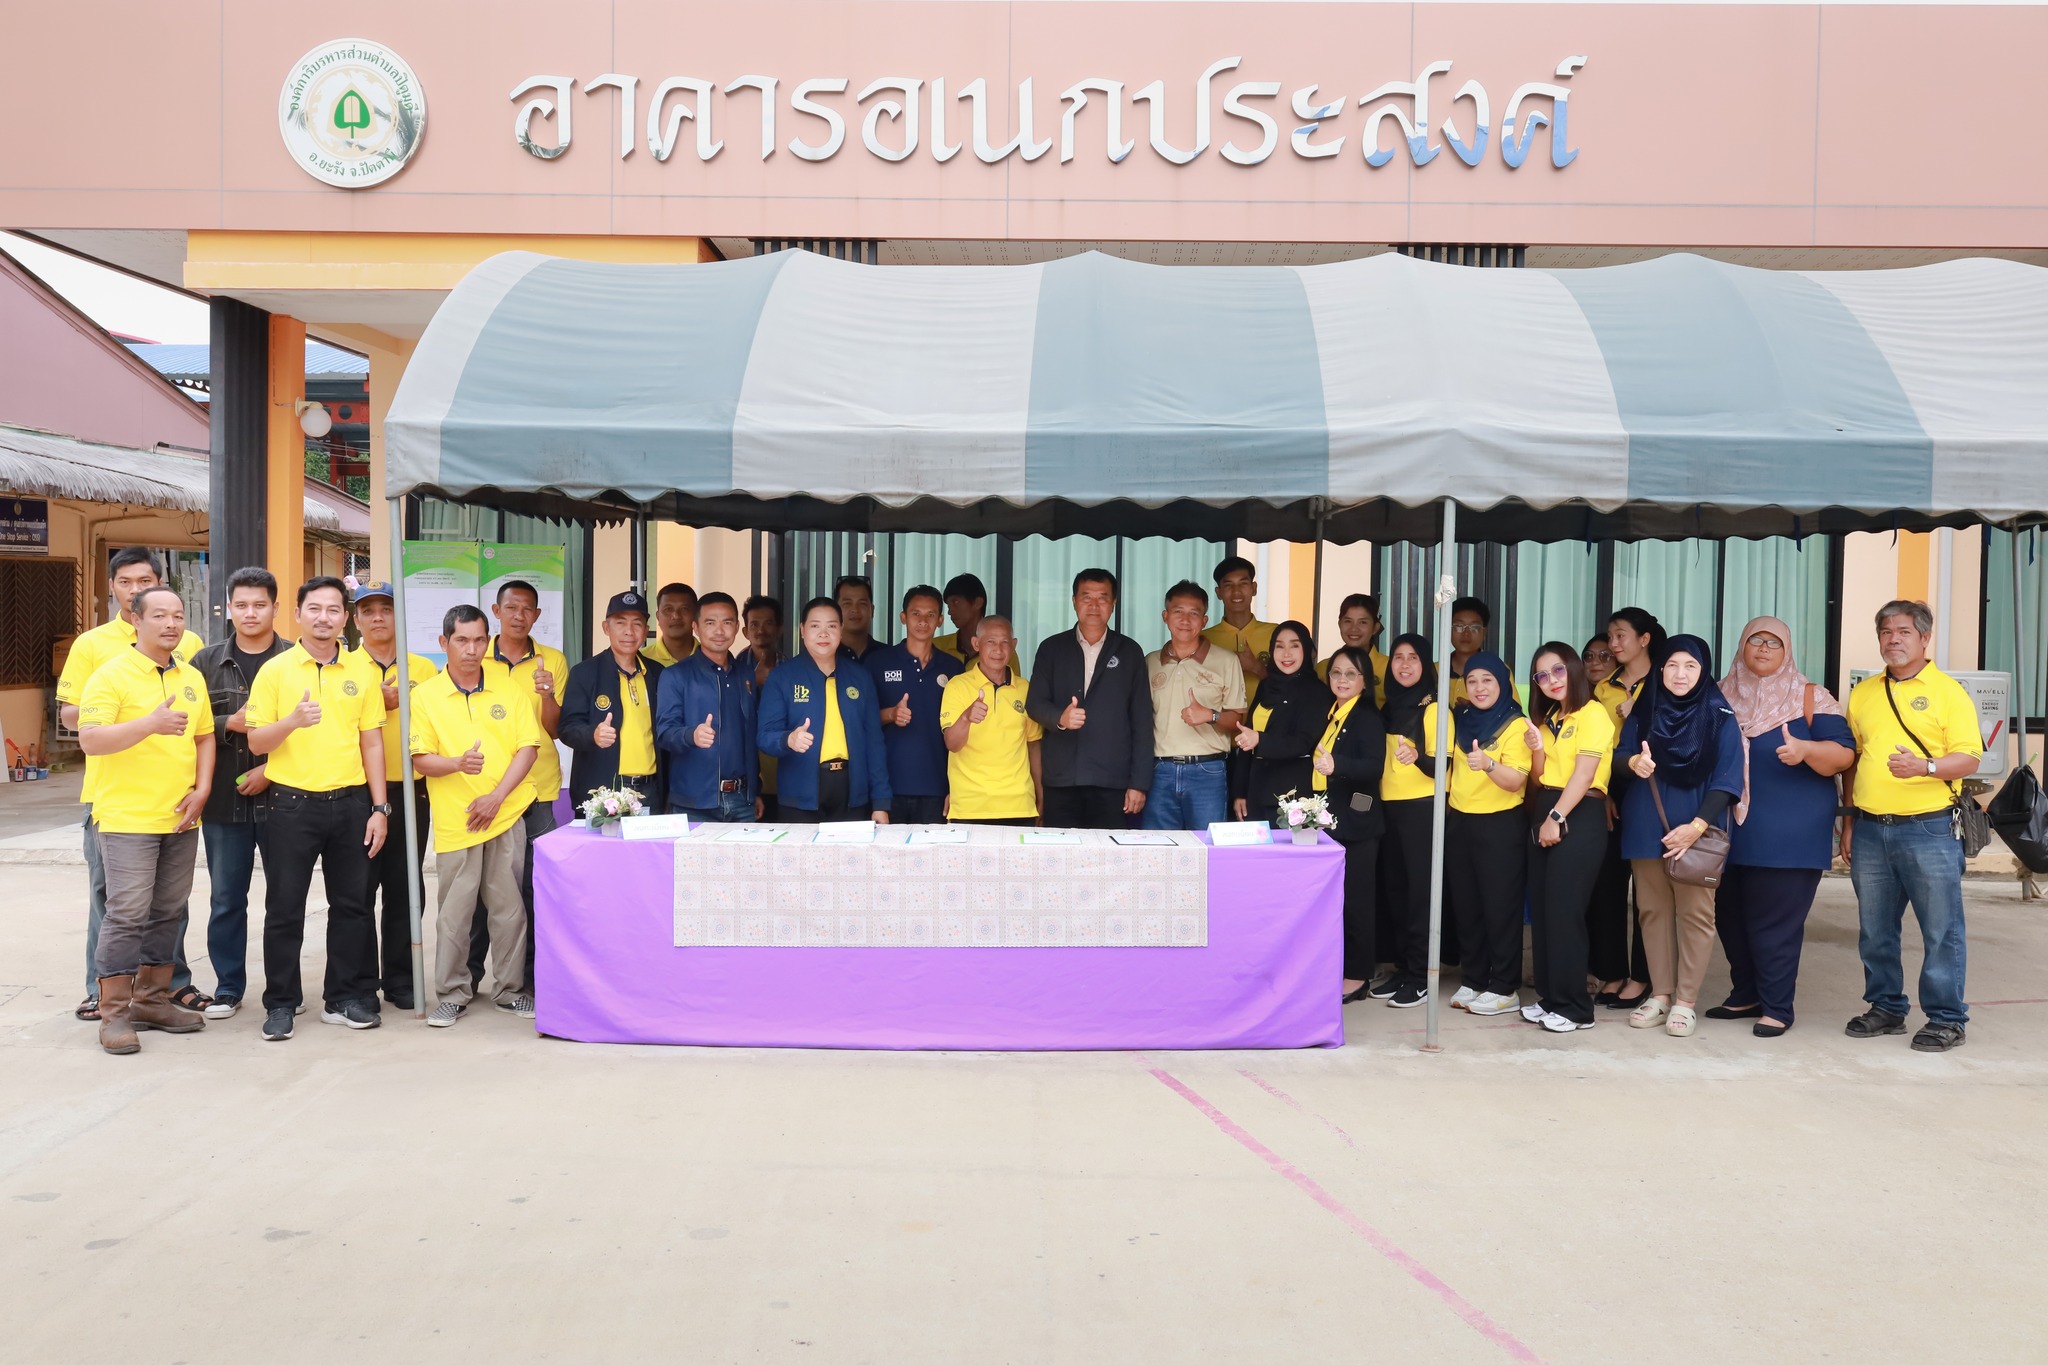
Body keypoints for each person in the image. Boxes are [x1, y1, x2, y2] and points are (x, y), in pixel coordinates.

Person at [56, 546, 207, 1022]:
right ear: (134, 617)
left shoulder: (190, 664)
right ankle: (110, 1007)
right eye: (158, 615)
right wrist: (147, 723)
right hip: (122, 810)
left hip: (179, 812)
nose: (170, 623)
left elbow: (203, 733)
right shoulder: (103, 662)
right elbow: (87, 733)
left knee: (168, 909)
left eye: (176, 615)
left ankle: (155, 999)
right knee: (121, 909)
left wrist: (202, 789)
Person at [245, 576, 390, 1041]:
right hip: (291, 805)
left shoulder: (362, 672)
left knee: (352, 906)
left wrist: (380, 807)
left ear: (345, 618)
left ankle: (343, 997)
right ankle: (281, 1002)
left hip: (351, 804)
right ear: (298, 614)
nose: (323, 617)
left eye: (332, 610)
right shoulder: (276, 671)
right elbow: (256, 741)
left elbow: (372, 743)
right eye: (314, 608)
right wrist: (291, 721)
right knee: (284, 908)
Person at [1841, 600, 1982, 1052]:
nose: (1893, 640)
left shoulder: (1948, 692)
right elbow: (1854, 760)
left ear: (1924, 638)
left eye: (1903, 632)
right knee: (1875, 929)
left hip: (1930, 829)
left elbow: (1970, 757)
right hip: (1870, 829)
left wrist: (1925, 766)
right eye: (1886, 632)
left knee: (1941, 929)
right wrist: (1849, 821)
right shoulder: (1864, 693)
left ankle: (1946, 1018)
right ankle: (1886, 1007)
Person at [1711, 617, 1856, 1038]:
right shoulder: (1718, 695)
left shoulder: (1810, 697)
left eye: (1773, 642)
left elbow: (1845, 755)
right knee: (1730, 917)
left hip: (1789, 834)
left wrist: (1807, 749)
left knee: (1773, 925)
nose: (1763, 648)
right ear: (1741, 646)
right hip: (1728, 830)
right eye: (1755, 640)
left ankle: (1777, 1007)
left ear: (1787, 650)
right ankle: (1746, 994)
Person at [410, 605, 544, 1027]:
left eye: (479, 640)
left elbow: (529, 748)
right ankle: (452, 994)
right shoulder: (425, 695)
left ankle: (510, 990)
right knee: (454, 914)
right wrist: (456, 764)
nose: (471, 649)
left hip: (505, 814)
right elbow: (420, 758)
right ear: (444, 642)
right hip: (458, 821)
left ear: (489, 641)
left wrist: (496, 798)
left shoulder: (508, 688)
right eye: (462, 640)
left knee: (509, 910)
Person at [1615, 636, 1743, 1039]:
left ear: (1703, 671)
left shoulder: (1720, 715)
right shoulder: (1645, 709)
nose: (1680, 674)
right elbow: (1618, 756)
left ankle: (1686, 1001)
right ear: (1660, 669)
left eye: (1690, 666)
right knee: (1651, 912)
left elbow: (1728, 780)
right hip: (1646, 823)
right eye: (1672, 665)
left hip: (1695, 829)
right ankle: (1661, 994)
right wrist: (1633, 762)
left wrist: (1697, 827)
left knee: (1696, 915)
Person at [188, 566, 289, 1018]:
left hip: (286, 800)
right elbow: (187, 728)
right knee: (227, 900)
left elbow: (316, 728)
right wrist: (227, 722)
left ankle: (283, 991)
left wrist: (271, 769)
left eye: (260, 605)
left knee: (284, 901)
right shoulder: (204, 664)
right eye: (242, 605)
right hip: (224, 805)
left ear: (275, 607)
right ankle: (228, 987)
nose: (251, 613)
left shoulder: (296, 660)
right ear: (229, 608)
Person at [473, 579, 568, 1003]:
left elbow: (556, 730)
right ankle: (469, 977)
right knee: (482, 891)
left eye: (527, 609)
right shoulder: (477, 655)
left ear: (537, 615)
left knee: (533, 889)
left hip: (538, 789)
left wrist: (547, 695)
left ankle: (527, 979)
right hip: (488, 790)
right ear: (496, 611)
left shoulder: (552, 660)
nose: (519, 615)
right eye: (511, 607)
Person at [351, 579, 437, 1012]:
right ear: (356, 620)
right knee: (359, 889)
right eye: (368, 611)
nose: (378, 618)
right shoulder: (344, 668)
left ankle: (401, 979)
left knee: (405, 887)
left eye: (386, 609)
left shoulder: (424, 669)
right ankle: (363, 983)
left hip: (410, 790)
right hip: (358, 790)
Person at [1521, 642, 1615, 1033]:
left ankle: (1576, 1008)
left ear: (1573, 669)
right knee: (1545, 912)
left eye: (1558, 670)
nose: (1551, 680)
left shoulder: (1593, 713)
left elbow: (1584, 774)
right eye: (1542, 675)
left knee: (1565, 911)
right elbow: (1540, 775)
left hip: (1577, 811)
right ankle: (1552, 998)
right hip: (1548, 805)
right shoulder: (1549, 720)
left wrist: (1556, 817)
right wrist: (1536, 748)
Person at [1434, 651, 1531, 1016]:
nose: (1479, 688)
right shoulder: (1461, 719)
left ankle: (1504, 987)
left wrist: (1489, 764)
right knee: (1467, 905)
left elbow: (1516, 781)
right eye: (1472, 681)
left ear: (1503, 683)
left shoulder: (1516, 725)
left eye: (1487, 680)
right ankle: (1475, 979)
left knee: (1500, 907)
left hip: (1500, 823)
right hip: (1461, 820)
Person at [1026, 568, 1154, 828]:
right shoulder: (1052, 648)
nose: (1094, 606)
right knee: (1062, 851)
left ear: (1113, 603)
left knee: (1109, 853)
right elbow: (1035, 703)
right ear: (1074, 601)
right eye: (1086, 597)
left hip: (1112, 781)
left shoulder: (1129, 651)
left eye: (1102, 598)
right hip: (1062, 779)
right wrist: (1060, 718)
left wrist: (1139, 783)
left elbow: (1141, 721)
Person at [759, 598, 892, 823]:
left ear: (841, 629)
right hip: (800, 793)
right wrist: (788, 739)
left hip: (852, 793)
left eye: (831, 626)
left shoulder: (860, 677)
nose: (823, 633)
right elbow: (764, 736)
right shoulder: (782, 677)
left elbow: (874, 743)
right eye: (815, 626)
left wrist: (881, 802)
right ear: (802, 630)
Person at [1593, 607, 1666, 1010]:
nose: (1613, 643)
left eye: (1621, 635)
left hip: (1653, 788)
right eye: (1611, 635)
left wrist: (1637, 709)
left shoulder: (1666, 680)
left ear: (1644, 639)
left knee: (1649, 893)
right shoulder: (1603, 688)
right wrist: (1602, 792)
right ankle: (1612, 972)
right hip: (1611, 788)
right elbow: (1595, 747)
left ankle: (1642, 976)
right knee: (1606, 886)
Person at [1311, 646, 1386, 1003]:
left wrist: (1336, 765)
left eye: (1351, 674)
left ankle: (1357, 977)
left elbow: (1373, 767)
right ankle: (1340, 970)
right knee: (1337, 902)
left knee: (1356, 902)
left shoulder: (1367, 717)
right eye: (1336, 673)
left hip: (1358, 825)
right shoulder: (1334, 713)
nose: (1342, 680)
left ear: (1364, 681)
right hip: (1333, 823)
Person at [1144, 581, 1246, 830]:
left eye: (1194, 613)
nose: (1185, 620)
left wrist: (1210, 715)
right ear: (1165, 616)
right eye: (1178, 611)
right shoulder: (1150, 662)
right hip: (1159, 771)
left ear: (1204, 620)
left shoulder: (1226, 661)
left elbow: (1239, 721)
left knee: (1207, 846)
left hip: (1207, 771)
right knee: (1159, 848)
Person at [560, 589, 667, 811]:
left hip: (650, 790)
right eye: (620, 623)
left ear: (646, 630)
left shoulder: (658, 674)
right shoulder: (585, 673)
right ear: (606, 628)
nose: (629, 631)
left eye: (637, 624)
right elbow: (567, 728)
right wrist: (593, 734)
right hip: (604, 790)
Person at [656, 591, 759, 821]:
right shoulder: (675, 675)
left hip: (743, 800)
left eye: (727, 622)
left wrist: (755, 790)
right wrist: (691, 735)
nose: (719, 631)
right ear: (695, 627)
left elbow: (750, 735)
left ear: (737, 627)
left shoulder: (745, 674)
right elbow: (664, 733)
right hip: (694, 801)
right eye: (710, 623)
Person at [1377, 635, 1440, 1008]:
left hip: (1421, 808)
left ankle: (1420, 976)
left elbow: (1443, 767)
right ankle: (1404, 968)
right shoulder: (1389, 708)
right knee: (1397, 892)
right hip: (1390, 808)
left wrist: (1418, 757)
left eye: (1413, 658)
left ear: (1426, 664)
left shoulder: (1434, 709)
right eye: (1398, 657)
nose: (1403, 665)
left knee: (1419, 895)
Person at [941, 616, 1045, 825]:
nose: (998, 649)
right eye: (990, 642)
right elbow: (952, 744)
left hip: (1019, 805)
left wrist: (1041, 796)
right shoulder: (957, 686)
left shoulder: (1025, 688)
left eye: (1004, 642)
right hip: (971, 807)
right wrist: (966, 717)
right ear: (976, 644)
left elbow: (1033, 746)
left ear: (1014, 645)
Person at [867, 585, 954, 824]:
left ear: (940, 620)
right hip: (888, 789)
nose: (923, 621)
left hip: (937, 789)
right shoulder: (878, 662)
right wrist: (890, 714)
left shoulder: (953, 668)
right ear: (903, 617)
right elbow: (859, 722)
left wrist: (954, 788)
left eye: (930, 614)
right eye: (916, 613)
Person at [1231, 621, 1328, 823]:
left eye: (1294, 646)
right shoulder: (1266, 686)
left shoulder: (1317, 692)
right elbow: (1247, 738)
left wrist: (1260, 739)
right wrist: (1240, 791)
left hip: (1293, 798)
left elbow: (1303, 742)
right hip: (1256, 791)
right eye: (1279, 646)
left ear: (1307, 649)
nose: (1286, 654)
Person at [1204, 555, 1275, 704]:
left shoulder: (1277, 634)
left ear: (1254, 588)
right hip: (1217, 718)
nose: (1236, 591)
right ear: (1218, 592)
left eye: (1243, 584)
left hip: (1268, 718)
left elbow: (1295, 688)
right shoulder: (1204, 639)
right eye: (1228, 585)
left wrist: (1256, 668)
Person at [737, 594, 784, 818]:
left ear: (779, 629)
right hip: (746, 772)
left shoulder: (792, 669)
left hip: (783, 768)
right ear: (745, 631)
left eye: (768, 623)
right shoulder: (733, 669)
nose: (761, 630)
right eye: (754, 624)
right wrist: (752, 684)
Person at [1317, 593, 1389, 706]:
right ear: (1339, 624)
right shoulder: (1323, 667)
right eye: (1348, 621)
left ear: (1375, 628)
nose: (1354, 629)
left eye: (1363, 622)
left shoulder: (1389, 668)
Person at [934, 573, 987, 662]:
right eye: (948, 606)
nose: (950, 612)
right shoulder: (936, 647)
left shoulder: (1002, 651)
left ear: (977, 603)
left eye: (956, 602)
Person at [644, 582, 699, 665]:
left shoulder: (710, 658)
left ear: (696, 615)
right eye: (668, 609)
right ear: (658, 617)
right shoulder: (640, 660)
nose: (676, 616)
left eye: (684, 609)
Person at [835, 574, 885, 664]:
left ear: (872, 610)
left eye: (862, 604)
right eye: (847, 604)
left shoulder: (889, 655)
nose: (855, 610)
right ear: (835, 611)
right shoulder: (825, 655)